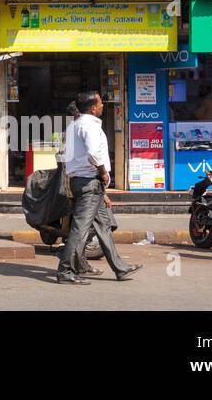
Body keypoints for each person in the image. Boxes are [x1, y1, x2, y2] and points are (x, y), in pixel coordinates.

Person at [56, 91, 142, 285]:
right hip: (90, 182)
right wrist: (102, 172)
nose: (103, 106)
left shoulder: (74, 126)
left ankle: (120, 267)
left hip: (84, 182)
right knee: (80, 229)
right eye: (101, 103)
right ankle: (65, 270)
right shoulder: (89, 126)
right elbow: (94, 153)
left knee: (103, 224)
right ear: (92, 107)